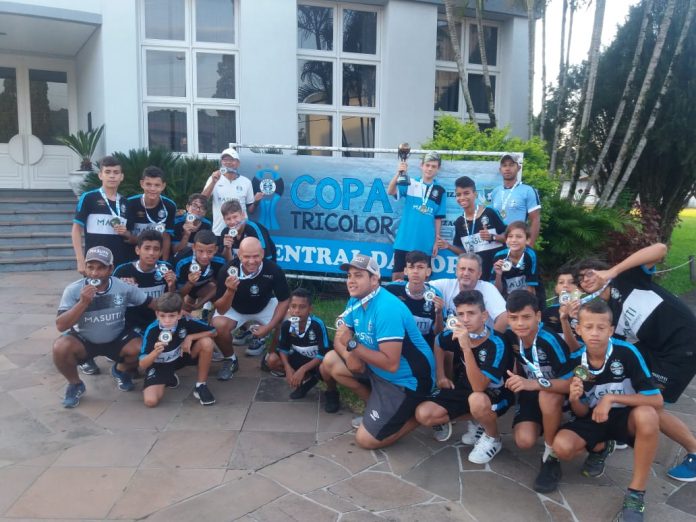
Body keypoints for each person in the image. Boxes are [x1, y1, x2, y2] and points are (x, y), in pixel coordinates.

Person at [575, 243, 696, 481]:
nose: (586, 281)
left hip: (683, 347)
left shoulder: (627, 278)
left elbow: (660, 249)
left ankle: (694, 449)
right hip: (654, 350)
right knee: (628, 386)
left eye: (589, 274)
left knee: (652, 406)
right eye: (580, 280)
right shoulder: (605, 315)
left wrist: (613, 272)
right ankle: (618, 433)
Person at [553, 300, 662, 521]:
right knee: (562, 447)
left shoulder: (627, 352)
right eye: (589, 327)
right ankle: (601, 447)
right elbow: (581, 412)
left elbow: (656, 399)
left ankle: (636, 493)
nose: (595, 333)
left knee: (648, 415)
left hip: (625, 416)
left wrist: (611, 398)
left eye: (601, 327)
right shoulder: (576, 361)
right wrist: (574, 399)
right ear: (578, 329)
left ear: (611, 330)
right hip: (593, 417)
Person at [321, 253, 436, 449]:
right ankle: (376, 411)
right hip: (377, 368)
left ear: (374, 280)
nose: (351, 281)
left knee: (365, 441)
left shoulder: (387, 308)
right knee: (331, 361)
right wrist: (349, 355)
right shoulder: (356, 300)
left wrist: (353, 346)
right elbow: (342, 335)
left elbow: (391, 365)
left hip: (407, 380)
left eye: (358, 275)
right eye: (349, 276)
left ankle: (416, 417)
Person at [415, 290, 513, 463]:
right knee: (424, 414)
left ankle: (493, 438)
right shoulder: (457, 332)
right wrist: (441, 375)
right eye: (460, 314)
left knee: (477, 400)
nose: (465, 319)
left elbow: (479, 387)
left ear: (484, 316)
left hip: (495, 394)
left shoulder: (497, 342)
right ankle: (477, 421)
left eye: (471, 313)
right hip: (464, 387)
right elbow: (438, 341)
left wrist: (466, 347)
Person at [52, 246, 152, 408]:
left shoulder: (123, 287)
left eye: (101, 268)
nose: (94, 273)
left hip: (116, 338)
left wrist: (177, 308)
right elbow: (61, 325)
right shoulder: (74, 289)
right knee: (60, 347)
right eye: (90, 267)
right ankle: (75, 384)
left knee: (141, 347)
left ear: (111, 269)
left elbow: (151, 303)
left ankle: (120, 370)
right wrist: (83, 303)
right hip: (85, 340)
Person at [504, 290, 577, 493]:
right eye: (514, 318)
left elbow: (570, 384)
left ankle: (551, 455)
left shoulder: (549, 340)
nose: (520, 323)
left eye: (526, 317)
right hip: (530, 390)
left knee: (547, 396)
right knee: (524, 441)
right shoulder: (510, 336)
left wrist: (534, 384)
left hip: (557, 393)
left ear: (538, 316)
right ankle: (551, 423)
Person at [71, 156, 131, 376]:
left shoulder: (125, 203)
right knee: (88, 306)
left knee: (114, 307)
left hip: (117, 265)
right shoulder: (89, 198)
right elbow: (76, 229)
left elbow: (128, 235)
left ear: (121, 176)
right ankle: (83, 357)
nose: (112, 176)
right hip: (94, 265)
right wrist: (80, 259)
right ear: (100, 175)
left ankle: (110, 347)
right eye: (108, 172)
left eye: (116, 172)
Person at [212, 237, 290, 379]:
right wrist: (230, 291)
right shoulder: (227, 270)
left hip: (264, 305)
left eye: (256, 256)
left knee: (288, 321)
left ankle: (270, 357)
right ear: (239, 255)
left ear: (262, 254)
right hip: (235, 307)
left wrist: (268, 328)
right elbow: (221, 309)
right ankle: (230, 359)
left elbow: (284, 300)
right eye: (247, 257)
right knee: (218, 325)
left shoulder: (273, 269)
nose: (252, 261)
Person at [264, 288, 340, 412]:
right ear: (289, 308)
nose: (297, 311)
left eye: (302, 307)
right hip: (301, 357)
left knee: (325, 368)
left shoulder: (317, 324)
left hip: (319, 360)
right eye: (293, 306)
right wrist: (288, 368)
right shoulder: (287, 325)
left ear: (310, 309)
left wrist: (302, 369)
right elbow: (283, 349)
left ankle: (332, 392)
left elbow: (323, 353)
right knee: (272, 360)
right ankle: (307, 381)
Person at [139, 292, 217, 407]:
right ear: (157, 314)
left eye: (172, 316)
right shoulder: (152, 330)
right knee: (151, 402)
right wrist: (155, 352)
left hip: (182, 356)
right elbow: (142, 364)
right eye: (162, 316)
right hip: (161, 365)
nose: (167, 320)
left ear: (180, 314)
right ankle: (169, 377)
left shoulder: (186, 320)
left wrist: (190, 337)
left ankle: (201, 385)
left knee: (207, 342)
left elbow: (214, 331)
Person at [387, 151, 447, 280]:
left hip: (425, 242)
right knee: (397, 276)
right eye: (427, 165)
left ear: (438, 169)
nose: (430, 169)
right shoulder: (411, 183)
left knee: (422, 278)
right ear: (421, 166)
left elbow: (438, 218)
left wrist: (436, 241)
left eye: (433, 166)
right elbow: (390, 191)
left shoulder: (440, 191)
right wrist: (399, 173)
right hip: (404, 240)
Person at [437, 175, 506, 277]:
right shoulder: (459, 222)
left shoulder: (490, 212)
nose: (462, 198)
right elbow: (464, 252)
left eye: (466, 193)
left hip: (497, 271)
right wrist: (449, 246)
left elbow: (508, 237)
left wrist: (493, 237)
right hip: (475, 275)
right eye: (458, 195)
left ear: (475, 194)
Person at [113, 229, 176, 332]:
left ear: (161, 252)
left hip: (158, 323)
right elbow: (113, 302)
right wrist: (125, 289)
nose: (151, 253)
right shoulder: (122, 271)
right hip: (130, 325)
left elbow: (171, 303)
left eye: (156, 249)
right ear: (138, 250)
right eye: (147, 248)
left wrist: (171, 286)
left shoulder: (166, 269)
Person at [429, 253, 508, 333]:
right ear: (456, 271)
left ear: (479, 274)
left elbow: (504, 317)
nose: (466, 273)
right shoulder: (446, 284)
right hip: (451, 338)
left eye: (471, 270)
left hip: (479, 338)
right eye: (462, 269)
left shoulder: (487, 288)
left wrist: (491, 339)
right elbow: (423, 285)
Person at [385, 250, 444, 347]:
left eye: (420, 267)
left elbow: (438, 333)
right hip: (395, 344)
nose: (415, 271)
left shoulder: (436, 295)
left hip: (423, 347)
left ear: (428, 272)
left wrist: (439, 313)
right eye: (411, 267)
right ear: (405, 271)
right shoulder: (392, 289)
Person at [201, 148, 262, 236]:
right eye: (225, 160)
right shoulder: (213, 179)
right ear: (221, 162)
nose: (228, 162)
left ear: (238, 163)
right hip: (219, 230)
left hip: (241, 231)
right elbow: (202, 200)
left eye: (232, 160)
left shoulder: (246, 182)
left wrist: (256, 202)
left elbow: (250, 210)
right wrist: (213, 182)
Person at [125, 166, 177, 260]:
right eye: (148, 184)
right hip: (131, 256)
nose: (152, 189)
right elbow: (126, 236)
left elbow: (166, 237)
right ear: (142, 184)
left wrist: (164, 262)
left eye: (157, 185)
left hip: (155, 257)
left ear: (163, 186)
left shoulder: (169, 206)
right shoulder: (129, 203)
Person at [489, 153, 541, 247]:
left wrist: (530, 245)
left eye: (511, 165)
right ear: (500, 170)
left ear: (518, 168)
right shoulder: (495, 192)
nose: (507, 168)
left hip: (517, 244)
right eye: (504, 165)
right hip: (496, 244)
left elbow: (535, 220)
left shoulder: (528, 190)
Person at [491, 221, 545, 308]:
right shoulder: (499, 256)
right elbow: (497, 290)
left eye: (519, 237)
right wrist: (498, 274)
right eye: (510, 236)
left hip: (530, 296)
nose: (514, 240)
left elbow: (531, 287)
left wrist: (528, 308)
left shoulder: (530, 255)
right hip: (508, 299)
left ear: (527, 240)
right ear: (506, 240)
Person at [173, 230, 227, 314]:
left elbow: (218, 286)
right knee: (181, 310)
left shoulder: (220, 261)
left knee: (220, 295)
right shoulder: (182, 261)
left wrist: (199, 304)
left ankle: (212, 318)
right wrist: (190, 283)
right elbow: (177, 293)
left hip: (203, 286)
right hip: (184, 287)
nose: (204, 256)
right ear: (193, 247)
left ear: (215, 249)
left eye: (209, 251)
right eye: (200, 251)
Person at [542, 263, 581, 342]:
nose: (565, 285)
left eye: (571, 282)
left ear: (580, 288)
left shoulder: (587, 313)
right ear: (556, 288)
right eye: (561, 282)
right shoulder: (547, 312)